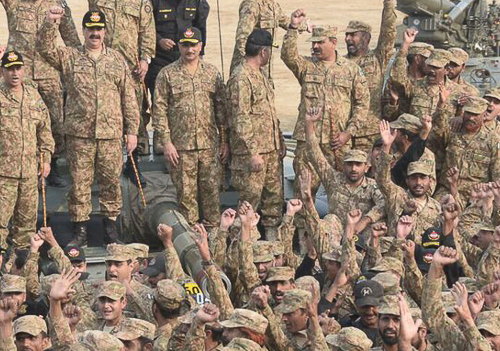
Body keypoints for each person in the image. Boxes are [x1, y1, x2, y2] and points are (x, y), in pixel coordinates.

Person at [38, 7, 139, 246]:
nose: (95, 33)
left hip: (110, 135)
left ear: (105, 31)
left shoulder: (116, 60)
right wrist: (50, 24)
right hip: (79, 134)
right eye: (91, 29)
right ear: (83, 31)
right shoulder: (71, 57)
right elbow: (46, 50)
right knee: (80, 184)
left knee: (111, 183)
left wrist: (132, 130)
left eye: (99, 29)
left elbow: (128, 97)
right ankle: (80, 231)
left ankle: (111, 230)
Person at [0, 0, 80, 186]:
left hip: (49, 71)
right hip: (19, 71)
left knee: (55, 120)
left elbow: (69, 33)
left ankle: (53, 164)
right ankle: (26, 169)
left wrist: (77, 60)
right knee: (21, 121)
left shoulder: (56, 0)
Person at [69, 0, 155, 156]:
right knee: (105, 112)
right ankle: (108, 161)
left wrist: (146, 60)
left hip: (132, 67)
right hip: (102, 64)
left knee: (135, 112)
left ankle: (136, 163)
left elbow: (148, 31)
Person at [152, 27, 226, 227]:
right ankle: (192, 244)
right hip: (181, 150)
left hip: (209, 146)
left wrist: (225, 141)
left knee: (212, 196)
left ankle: (212, 242)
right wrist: (166, 143)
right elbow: (159, 111)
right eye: (185, 45)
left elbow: (221, 110)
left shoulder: (212, 73)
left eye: (193, 45)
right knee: (186, 199)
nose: (190, 50)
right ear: (179, 46)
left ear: (200, 46)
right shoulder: (167, 75)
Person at [282, 22, 369, 186]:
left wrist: (348, 133)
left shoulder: (351, 70)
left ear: (333, 42)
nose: (315, 46)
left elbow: (362, 105)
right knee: (304, 190)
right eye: (313, 42)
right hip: (308, 141)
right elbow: (287, 55)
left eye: (320, 42)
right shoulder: (306, 66)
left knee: (343, 191)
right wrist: (293, 29)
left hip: (337, 142)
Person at [0, 51, 54, 248]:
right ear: (2, 71)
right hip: (2, 173)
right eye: (9, 69)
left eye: (18, 68)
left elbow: (45, 129)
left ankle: (22, 269)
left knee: (26, 228)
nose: (15, 73)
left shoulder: (32, 95)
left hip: (29, 173)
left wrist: (46, 158)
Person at [227, 29, 283, 239]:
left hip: (270, 151)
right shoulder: (241, 78)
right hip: (253, 156)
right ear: (263, 51)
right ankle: (238, 251)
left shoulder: (261, 76)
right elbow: (240, 118)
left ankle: (271, 249)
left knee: (273, 206)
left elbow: (268, 112)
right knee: (247, 209)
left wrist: (279, 142)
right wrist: (252, 152)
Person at [344, 0, 398, 151]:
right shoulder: (341, 64)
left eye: (353, 35)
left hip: (369, 133)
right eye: (347, 35)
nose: (348, 39)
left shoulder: (377, 58)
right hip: (343, 131)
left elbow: (388, 32)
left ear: (366, 38)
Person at [144, 0, 210, 100]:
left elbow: (200, 27)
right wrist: (159, 39)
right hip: (159, 60)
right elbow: (144, 27)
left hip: (185, 58)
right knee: (160, 100)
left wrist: (200, 53)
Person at [231, 0, 295, 83]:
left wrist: (304, 25)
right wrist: (249, 68)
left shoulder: (273, 6)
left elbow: (286, 22)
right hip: (249, 73)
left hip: (264, 70)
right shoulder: (253, 4)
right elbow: (242, 38)